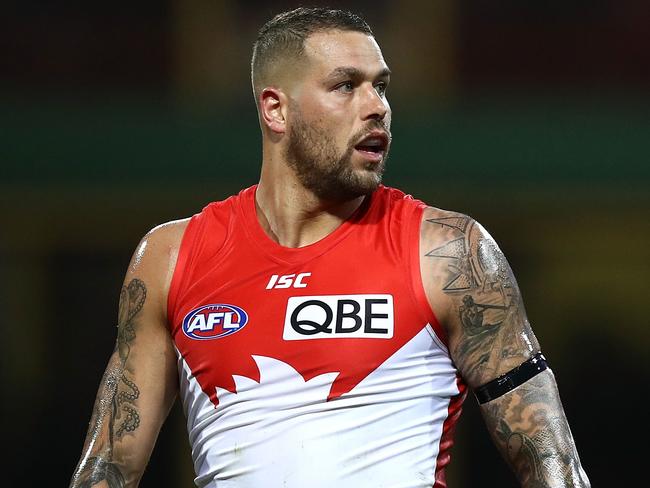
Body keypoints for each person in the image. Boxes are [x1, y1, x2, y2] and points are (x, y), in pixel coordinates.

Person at [70, 7, 590, 488]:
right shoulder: (171, 257)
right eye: (346, 86)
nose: (378, 108)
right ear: (275, 109)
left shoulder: (448, 252)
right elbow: (108, 467)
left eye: (381, 87)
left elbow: (551, 459)